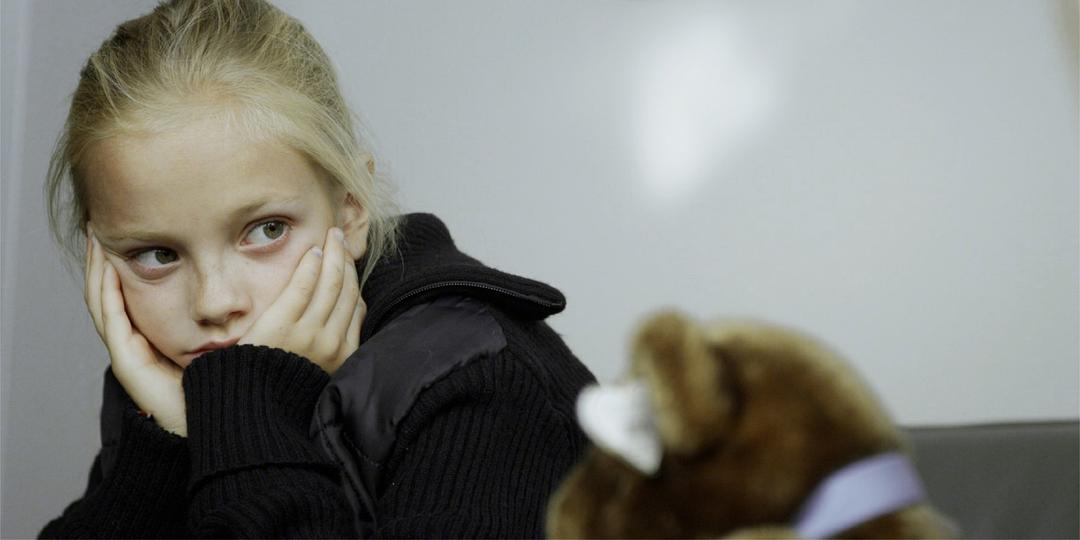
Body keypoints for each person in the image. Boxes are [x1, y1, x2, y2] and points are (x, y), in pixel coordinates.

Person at [39, 0, 596, 537]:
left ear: (350, 209)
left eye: (267, 230)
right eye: (158, 255)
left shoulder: (484, 385)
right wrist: (163, 452)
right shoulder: (165, 382)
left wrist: (249, 413)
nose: (214, 303)